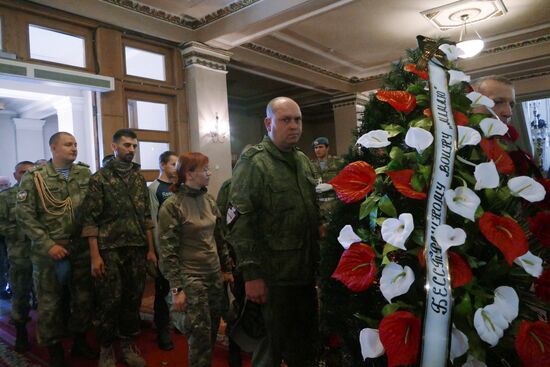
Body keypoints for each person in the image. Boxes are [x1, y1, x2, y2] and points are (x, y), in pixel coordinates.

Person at [227, 97, 320, 366]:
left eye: (298, 119)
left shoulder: (302, 161)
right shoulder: (254, 163)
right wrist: (252, 275)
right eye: (285, 120)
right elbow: (239, 223)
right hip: (272, 278)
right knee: (271, 350)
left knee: (304, 346)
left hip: (303, 274)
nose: (294, 126)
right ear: (269, 123)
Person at [16, 132, 97, 367]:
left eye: (75, 144)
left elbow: (91, 209)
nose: (74, 148)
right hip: (50, 251)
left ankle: (80, 341)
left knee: (83, 299)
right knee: (50, 303)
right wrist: (48, 245)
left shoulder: (83, 172)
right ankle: (55, 351)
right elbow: (25, 216)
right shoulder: (35, 177)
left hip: (80, 247)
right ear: (54, 148)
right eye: (68, 144)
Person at [81, 128, 156, 367]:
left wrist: (151, 250)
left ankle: (127, 344)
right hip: (109, 249)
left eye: (134, 146)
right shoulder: (99, 178)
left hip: (136, 247)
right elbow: (90, 220)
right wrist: (95, 256)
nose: (131, 150)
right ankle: (105, 347)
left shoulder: (137, 177)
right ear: (114, 147)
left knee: (132, 299)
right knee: (109, 301)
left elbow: (146, 217)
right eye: (126, 145)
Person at [158, 152, 233, 367]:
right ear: (189, 173)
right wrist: (176, 289)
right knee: (198, 337)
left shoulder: (208, 200)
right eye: (205, 169)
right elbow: (168, 252)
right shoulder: (172, 206)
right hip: (191, 279)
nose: (210, 173)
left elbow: (219, 238)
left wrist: (226, 269)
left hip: (213, 275)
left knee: (209, 331)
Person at [0, 160, 34, 351]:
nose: (27, 176)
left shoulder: (44, 195)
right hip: (20, 255)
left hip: (45, 254)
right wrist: (27, 233)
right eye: (23, 172)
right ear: (15, 176)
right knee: (21, 294)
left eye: (31, 172)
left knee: (49, 296)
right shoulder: (6, 197)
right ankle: (21, 333)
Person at [148, 150, 178, 351]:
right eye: (173, 164)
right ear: (163, 165)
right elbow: (152, 222)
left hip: (181, 248)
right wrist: (156, 251)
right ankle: (162, 330)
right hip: (163, 248)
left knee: (179, 288)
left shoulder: (179, 187)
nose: (176, 168)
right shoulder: (155, 188)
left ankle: (178, 322)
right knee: (163, 291)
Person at [311, 137, 342, 228]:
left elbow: (345, 179)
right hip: (318, 206)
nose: (318, 150)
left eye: (320, 147)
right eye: (315, 148)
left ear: (327, 148)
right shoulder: (310, 165)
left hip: (334, 204)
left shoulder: (338, 162)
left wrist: (332, 186)